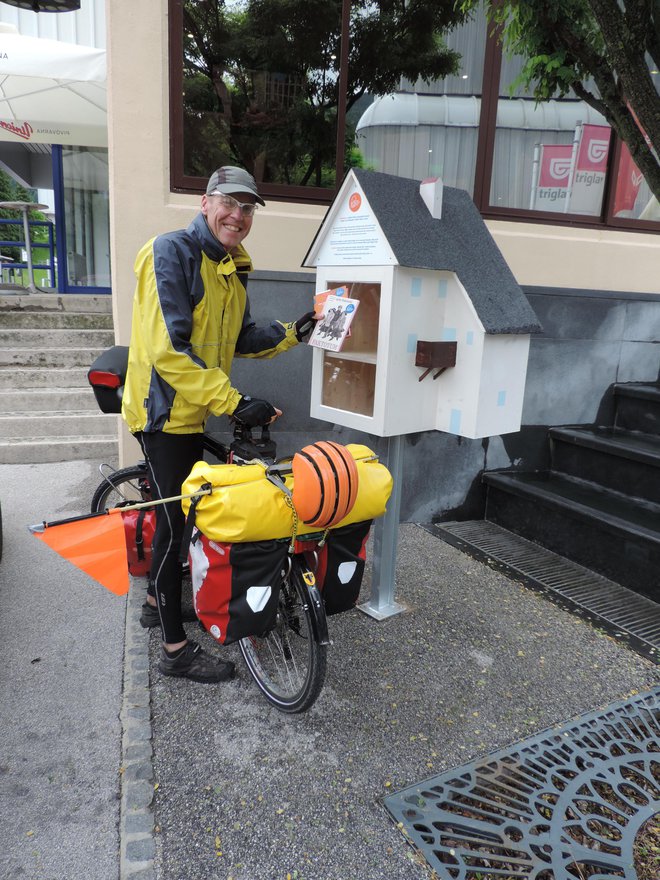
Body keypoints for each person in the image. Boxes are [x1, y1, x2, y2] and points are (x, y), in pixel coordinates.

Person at [121, 166, 316, 684]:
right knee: (173, 527)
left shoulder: (230, 265)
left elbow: (243, 337)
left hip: (195, 407)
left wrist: (297, 332)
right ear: (206, 202)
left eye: (248, 208)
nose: (239, 215)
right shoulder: (172, 252)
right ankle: (175, 651)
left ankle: (152, 604)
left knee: (184, 515)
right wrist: (234, 402)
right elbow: (169, 352)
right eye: (230, 203)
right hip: (164, 412)